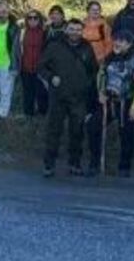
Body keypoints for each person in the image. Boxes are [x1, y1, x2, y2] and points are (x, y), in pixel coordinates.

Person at [39, 20, 98, 177]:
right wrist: (51, 78)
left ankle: (75, 163)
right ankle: (49, 164)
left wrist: (86, 84)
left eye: (78, 30)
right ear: (66, 30)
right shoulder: (54, 45)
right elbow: (41, 66)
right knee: (54, 131)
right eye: (72, 29)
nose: (75, 32)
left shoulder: (87, 47)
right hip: (58, 96)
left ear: (82, 31)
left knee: (77, 132)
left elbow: (94, 70)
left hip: (79, 97)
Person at [88, 30, 134, 177]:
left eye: (122, 41)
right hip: (108, 100)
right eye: (116, 40)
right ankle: (94, 162)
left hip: (126, 101)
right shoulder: (110, 57)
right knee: (93, 125)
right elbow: (101, 75)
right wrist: (100, 92)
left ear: (130, 44)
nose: (117, 43)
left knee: (126, 134)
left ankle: (124, 167)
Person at [17, 10, 49, 117]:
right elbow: (17, 50)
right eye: (30, 18)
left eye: (35, 18)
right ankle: (28, 113)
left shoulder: (45, 32)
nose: (32, 20)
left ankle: (42, 113)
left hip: (40, 68)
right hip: (25, 67)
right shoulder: (22, 32)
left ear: (39, 19)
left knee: (41, 92)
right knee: (27, 92)